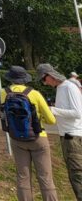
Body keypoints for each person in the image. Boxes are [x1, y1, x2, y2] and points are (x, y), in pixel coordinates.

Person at [2, 65, 58, 201]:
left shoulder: (4, 93)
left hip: (16, 139)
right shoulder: (34, 94)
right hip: (38, 138)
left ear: (11, 79)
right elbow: (51, 120)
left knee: (23, 177)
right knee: (45, 177)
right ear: (25, 79)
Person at [39, 63, 82, 200]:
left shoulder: (69, 87)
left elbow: (77, 112)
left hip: (72, 135)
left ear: (50, 76)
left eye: (43, 80)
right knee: (75, 173)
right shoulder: (61, 88)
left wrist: (53, 110)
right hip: (68, 135)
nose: (44, 84)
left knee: (77, 174)